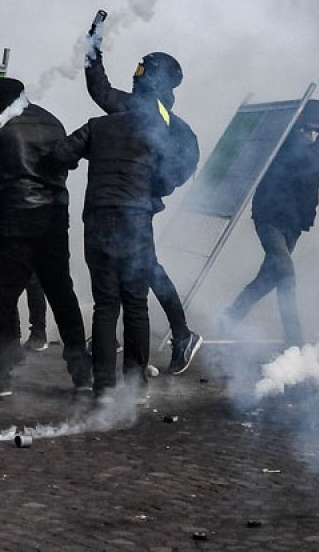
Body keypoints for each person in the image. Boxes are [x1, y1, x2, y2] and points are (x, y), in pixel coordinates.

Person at [57, 43, 200, 398]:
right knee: (135, 300)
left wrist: (154, 188)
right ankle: (137, 383)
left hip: (106, 216)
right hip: (135, 217)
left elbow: (182, 164)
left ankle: (107, 386)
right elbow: (100, 89)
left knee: (110, 303)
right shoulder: (147, 115)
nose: (136, 76)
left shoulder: (157, 120)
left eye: (143, 70)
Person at [0, 77, 91, 396]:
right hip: (55, 217)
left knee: (1, 295)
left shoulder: (1, 124)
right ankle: (82, 372)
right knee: (62, 293)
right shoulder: (52, 121)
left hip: (16, 219)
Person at [221, 99, 319, 348]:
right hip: (269, 217)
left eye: (313, 130)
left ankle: (230, 316)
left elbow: (308, 163)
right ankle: (295, 343)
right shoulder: (280, 142)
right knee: (286, 275)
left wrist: (304, 137)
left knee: (269, 277)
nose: (307, 134)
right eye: (305, 128)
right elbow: (287, 156)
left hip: (295, 221)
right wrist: (293, 132)